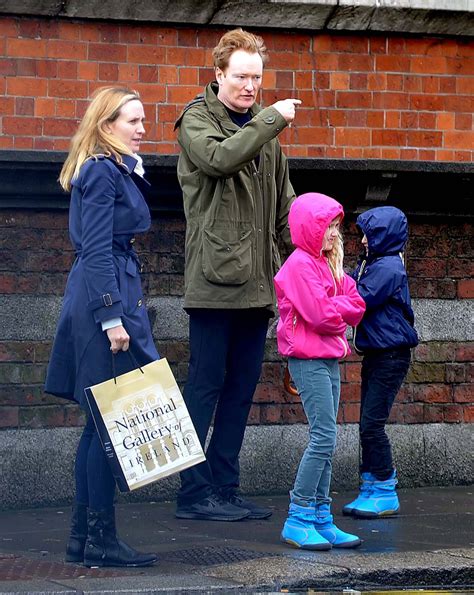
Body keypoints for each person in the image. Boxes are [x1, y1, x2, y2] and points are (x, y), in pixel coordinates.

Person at [173, 28, 300, 522]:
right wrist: (271, 119)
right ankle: (192, 492)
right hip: (213, 281)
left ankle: (224, 487)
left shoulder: (264, 134)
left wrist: (312, 246)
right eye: (242, 77)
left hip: (257, 283)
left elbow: (284, 201)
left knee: (241, 389)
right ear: (219, 73)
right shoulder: (196, 120)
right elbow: (220, 159)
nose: (251, 87)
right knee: (203, 388)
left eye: (257, 78)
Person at [44, 86, 159, 567]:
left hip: (106, 294)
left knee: (98, 426)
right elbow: (94, 250)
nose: (141, 128)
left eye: (142, 120)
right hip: (101, 305)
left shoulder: (111, 170)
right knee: (105, 424)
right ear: (106, 124)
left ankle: (83, 538)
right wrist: (112, 316)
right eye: (132, 120)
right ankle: (101, 540)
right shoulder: (100, 171)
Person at [274, 192, 366, 550]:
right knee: (324, 438)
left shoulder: (327, 263)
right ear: (309, 227)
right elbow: (321, 316)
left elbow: (357, 305)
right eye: (326, 225)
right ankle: (298, 516)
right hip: (308, 359)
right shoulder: (298, 265)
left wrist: (335, 305)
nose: (332, 233)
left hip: (327, 356)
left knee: (326, 438)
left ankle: (321, 518)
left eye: (334, 226)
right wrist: (337, 306)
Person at [343, 206, 418, 518]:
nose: (361, 240)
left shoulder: (388, 267)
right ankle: (370, 486)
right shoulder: (373, 263)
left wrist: (330, 287)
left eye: (367, 234)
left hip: (391, 355)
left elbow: (360, 299)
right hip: (377, 353)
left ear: (383, 235)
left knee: (372, 425)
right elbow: (353, 283)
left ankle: (385, 488)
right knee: (366, 425)